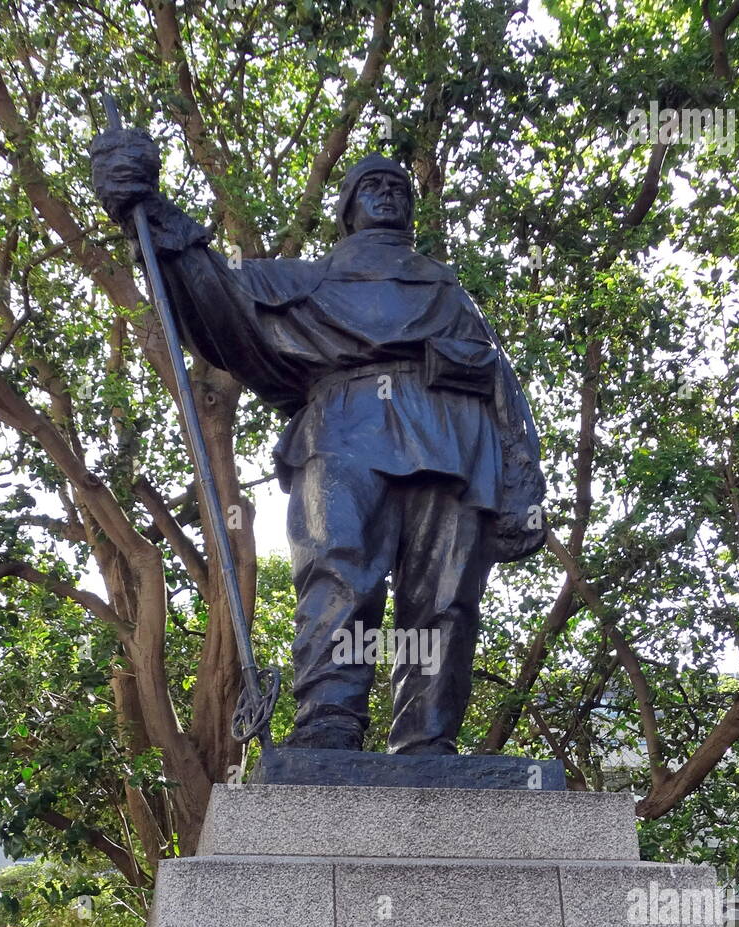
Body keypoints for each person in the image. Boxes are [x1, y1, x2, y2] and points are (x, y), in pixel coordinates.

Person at [90, 130, 546, 754]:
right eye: (371, 186)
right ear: (348, 206)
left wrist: (524, 483)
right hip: (344, 428)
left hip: (452, 440)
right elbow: (215, 292)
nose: (386, 194)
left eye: (397, 187)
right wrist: (147, 208)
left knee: (446, 594)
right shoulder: (299, 281)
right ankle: (329, 718)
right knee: (339, 571)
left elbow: (502, 388)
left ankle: (428, 736)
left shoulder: (449, 291)